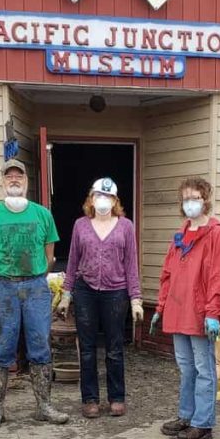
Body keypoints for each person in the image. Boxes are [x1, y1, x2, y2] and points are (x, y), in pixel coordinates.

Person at [0, 158, 69, 429]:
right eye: (9, 177)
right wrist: (3, 276)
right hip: (3, 288)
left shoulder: (43, 214)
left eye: (19, 176)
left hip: (36, 288)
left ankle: (44, 406)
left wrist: (36, 276)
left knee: (40, 345)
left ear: (27, 181)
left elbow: (50, 256)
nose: (14, 180)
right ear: (2, 182)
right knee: (1, 348)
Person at [151, 178, 220, 439]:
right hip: (177, 310)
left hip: (199, 313)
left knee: (203, 368)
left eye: (195, 197)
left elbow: (219, 275)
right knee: (186, 368)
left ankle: (203, 422)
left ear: (206, 199)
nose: (190, 203)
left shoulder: (216, 233)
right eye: (186, 198)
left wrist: (213, 311)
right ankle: (186, 416)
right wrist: (161, 305)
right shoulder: (182, 232)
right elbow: (167, 273)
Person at [57, 178, 143, 418]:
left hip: (116, 292)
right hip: (86, 291)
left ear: (115, 201)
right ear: (91, 199)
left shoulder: (125, 226)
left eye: (108, 197)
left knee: (115, 348)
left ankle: (116, 397)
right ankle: (90, 399)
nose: (102, 200)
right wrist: (66, 294)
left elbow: (131, 264)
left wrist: (135, 298)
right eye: (98, 195)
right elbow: (73, 261)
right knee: (86, 348)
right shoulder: (80, 226)